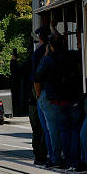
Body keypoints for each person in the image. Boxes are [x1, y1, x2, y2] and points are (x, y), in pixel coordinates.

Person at [36, 32, 66, 167]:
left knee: (52, 128)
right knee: (66, 128)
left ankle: (55, 158)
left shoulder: (48, 59)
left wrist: (46, 55)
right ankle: (67, 156)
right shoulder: (67, 56)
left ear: (50, 46)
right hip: (65, 95)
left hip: (50, 96)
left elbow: (37, 75)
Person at [31, 25, 53, 166]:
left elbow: (36, 77)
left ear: (40, 37)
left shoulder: (39, 53)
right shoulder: (55, 51)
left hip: (44, 94)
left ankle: (49, 156)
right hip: (56, 93)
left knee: (46, 127)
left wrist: (38, 95)